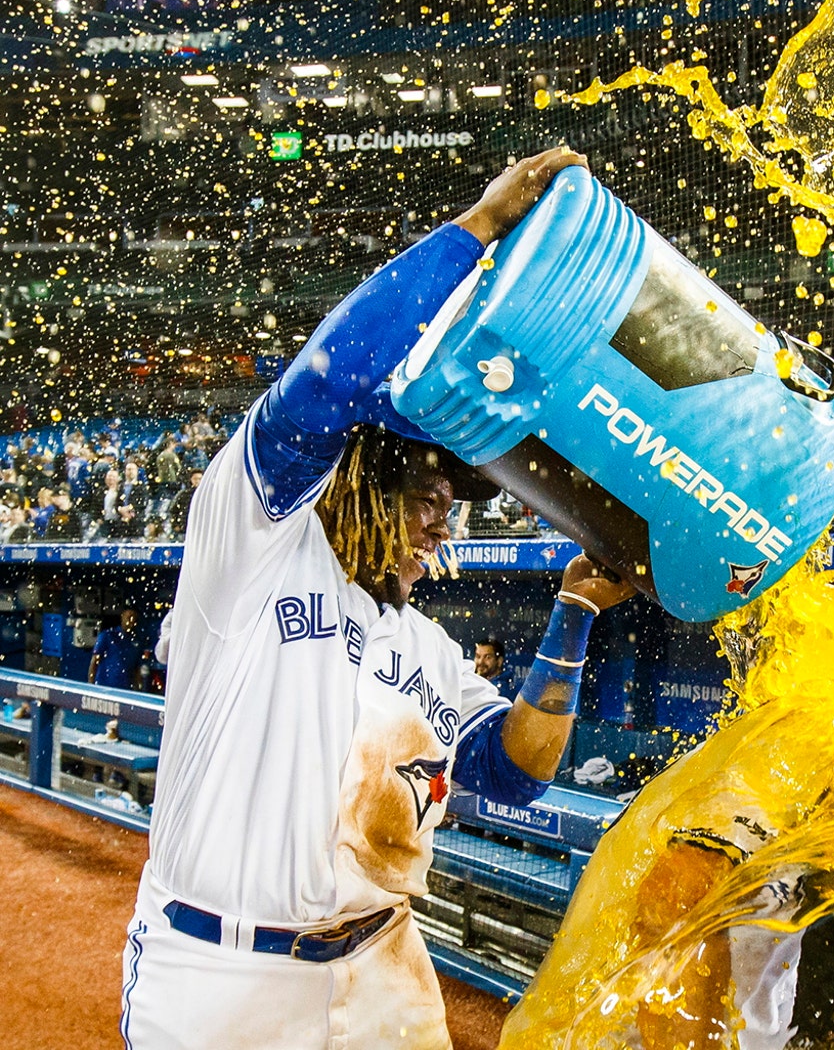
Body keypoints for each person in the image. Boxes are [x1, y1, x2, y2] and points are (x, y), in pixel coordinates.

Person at [118, 147, 637, 1049]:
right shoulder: (255, 552)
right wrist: (476, 233)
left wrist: (575, 617)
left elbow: (517, 770)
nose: (443, 523)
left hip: (384, 975)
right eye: (424, 496)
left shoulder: (431, 648)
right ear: (361, 478)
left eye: (452, 504)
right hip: (216, 977)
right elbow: (321, 389)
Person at [90, 607, 146, 690]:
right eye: (129, 617)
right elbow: (94, 661)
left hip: (126, 690)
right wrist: (91, 686)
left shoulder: (137, 641)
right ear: (122, 617)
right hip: (104, 687)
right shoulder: (107, 635)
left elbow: (137, 668)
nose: (131, 621)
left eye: (134, 618)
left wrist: (137, 689)